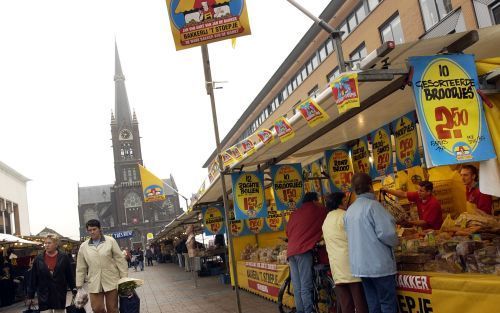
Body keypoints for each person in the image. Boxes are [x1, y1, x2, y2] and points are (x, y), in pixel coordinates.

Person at [344, 173, 399, 313]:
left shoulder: (349, 211)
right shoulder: (373, 206)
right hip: (379, 265)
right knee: (387, 302)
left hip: (361, 267)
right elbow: (388, 233)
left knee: (373, 303)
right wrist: (396, 243)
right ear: (370, 187)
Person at [322, 192, 368, 313]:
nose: (347, 201)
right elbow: (357, 237)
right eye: (345, 199)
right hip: (351, 266)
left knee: (346, 304)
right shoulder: (345, 216)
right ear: (341, 202)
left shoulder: (327, 219)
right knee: (360, 303)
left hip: (336, 268)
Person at [286, 192, 328, 313]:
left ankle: (300, 311)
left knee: (298, 286)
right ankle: (308, 311)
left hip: (291, 252)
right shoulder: (318, 210)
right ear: (315, 200)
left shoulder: (295, 213)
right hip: (303, 251)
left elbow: (288, 232)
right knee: (306, 285)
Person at [76, 219, 128, 313]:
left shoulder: (110, 241)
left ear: (100, 229)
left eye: (94, 229)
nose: (92, 232)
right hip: (94, 281)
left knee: (112, 309)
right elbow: (80, 267)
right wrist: (79, 284)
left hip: (111, 280)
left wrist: (124, 278)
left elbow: (120, 259)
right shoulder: (84, 246)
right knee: (97, 308)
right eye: (90, 230)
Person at [28, 234, 77, 313]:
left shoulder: (64, 257)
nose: (47, 245)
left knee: (59, 312)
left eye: (49, 243)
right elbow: (33, 277)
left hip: (59, 291)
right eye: (45, 243)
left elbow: (69, 275)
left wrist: (74, 289)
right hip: (44, 293)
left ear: (56, 244)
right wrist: (31, 295)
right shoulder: (38, 258)